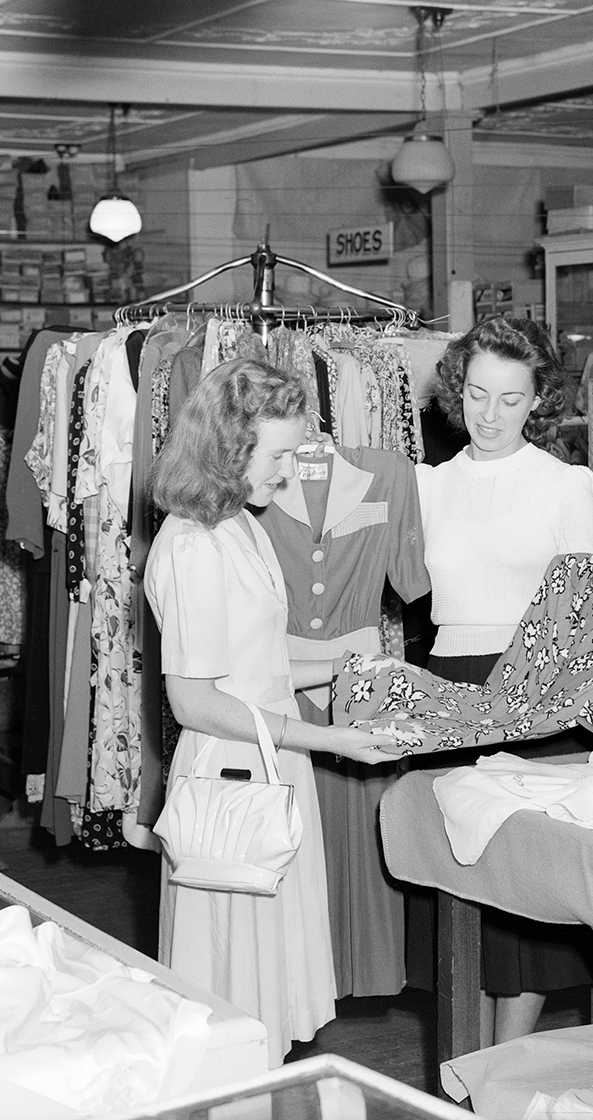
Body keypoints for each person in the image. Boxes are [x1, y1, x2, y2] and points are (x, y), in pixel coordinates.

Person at [143, 357, 398, 1066]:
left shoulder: (238, 524)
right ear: (230, 444)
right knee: (235, 996)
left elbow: (262, 661)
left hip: (267, 764)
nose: (288, 471)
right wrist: (327, 738)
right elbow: (194, 698)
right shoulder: (192, 544)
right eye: (279, 453)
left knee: (265, 993)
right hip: (233, 780)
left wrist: (355, 665)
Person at [413, 315, 593, 1046]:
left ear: (538, 400)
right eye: (476, 394)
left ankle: (504, 1063)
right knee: (461, 886)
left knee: (523, 893)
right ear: (456, 391)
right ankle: (466, 1070)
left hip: (536, 690)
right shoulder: (428, 487)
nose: (489, 414)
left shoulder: (565, 485)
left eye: (510, 398)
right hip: (451, 686)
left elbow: (588, 612)